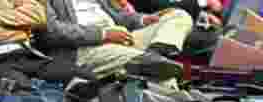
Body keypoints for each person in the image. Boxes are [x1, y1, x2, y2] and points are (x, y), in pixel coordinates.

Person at [34, 0, 193, 91]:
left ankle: (154, 54)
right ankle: (170, 90)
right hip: (86, 46)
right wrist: (103, 35)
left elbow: (115, 17)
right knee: (162, 74)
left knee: (178, 15)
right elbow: (51, 33)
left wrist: (142, 20)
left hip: (121, 36)